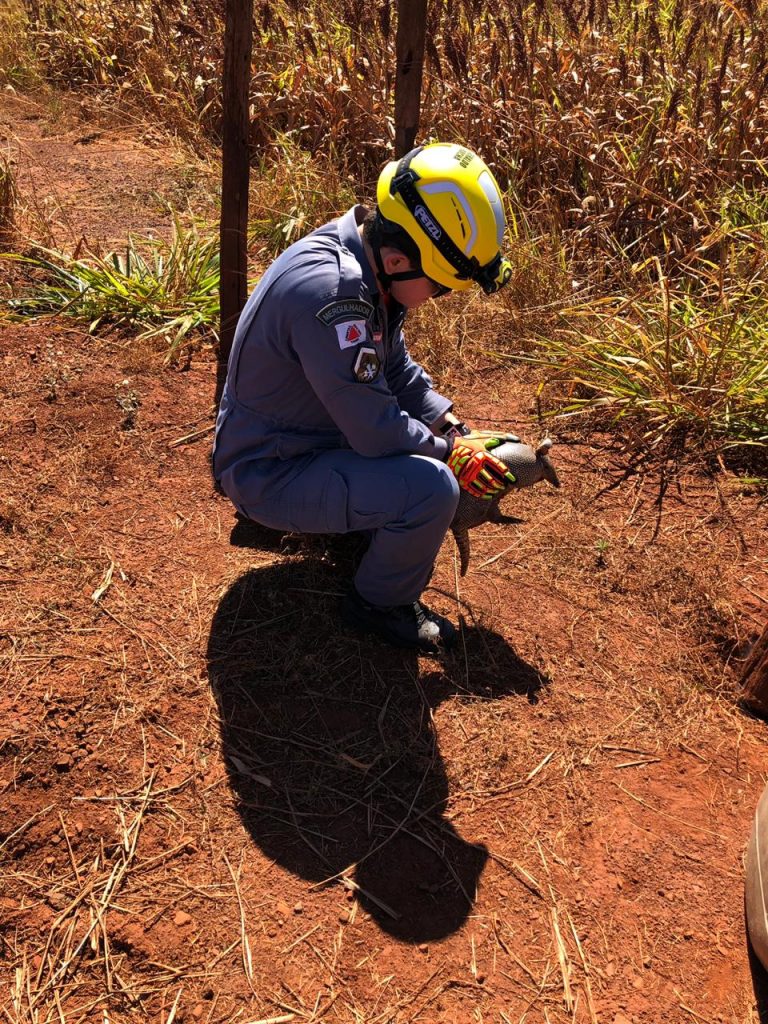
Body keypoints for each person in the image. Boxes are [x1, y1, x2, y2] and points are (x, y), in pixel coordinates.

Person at [213, 142, 519, 653]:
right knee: (432, 489)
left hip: (304, 437)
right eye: (441, 287)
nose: (439, 298)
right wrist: (451, 456)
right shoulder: (335, 295)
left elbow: (394, 368)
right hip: (270, 469)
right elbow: (376, 430)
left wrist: (452, 428)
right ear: (399, 259)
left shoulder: (364, 259)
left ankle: (349, 527)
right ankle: (379, 604)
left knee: (431, 460)